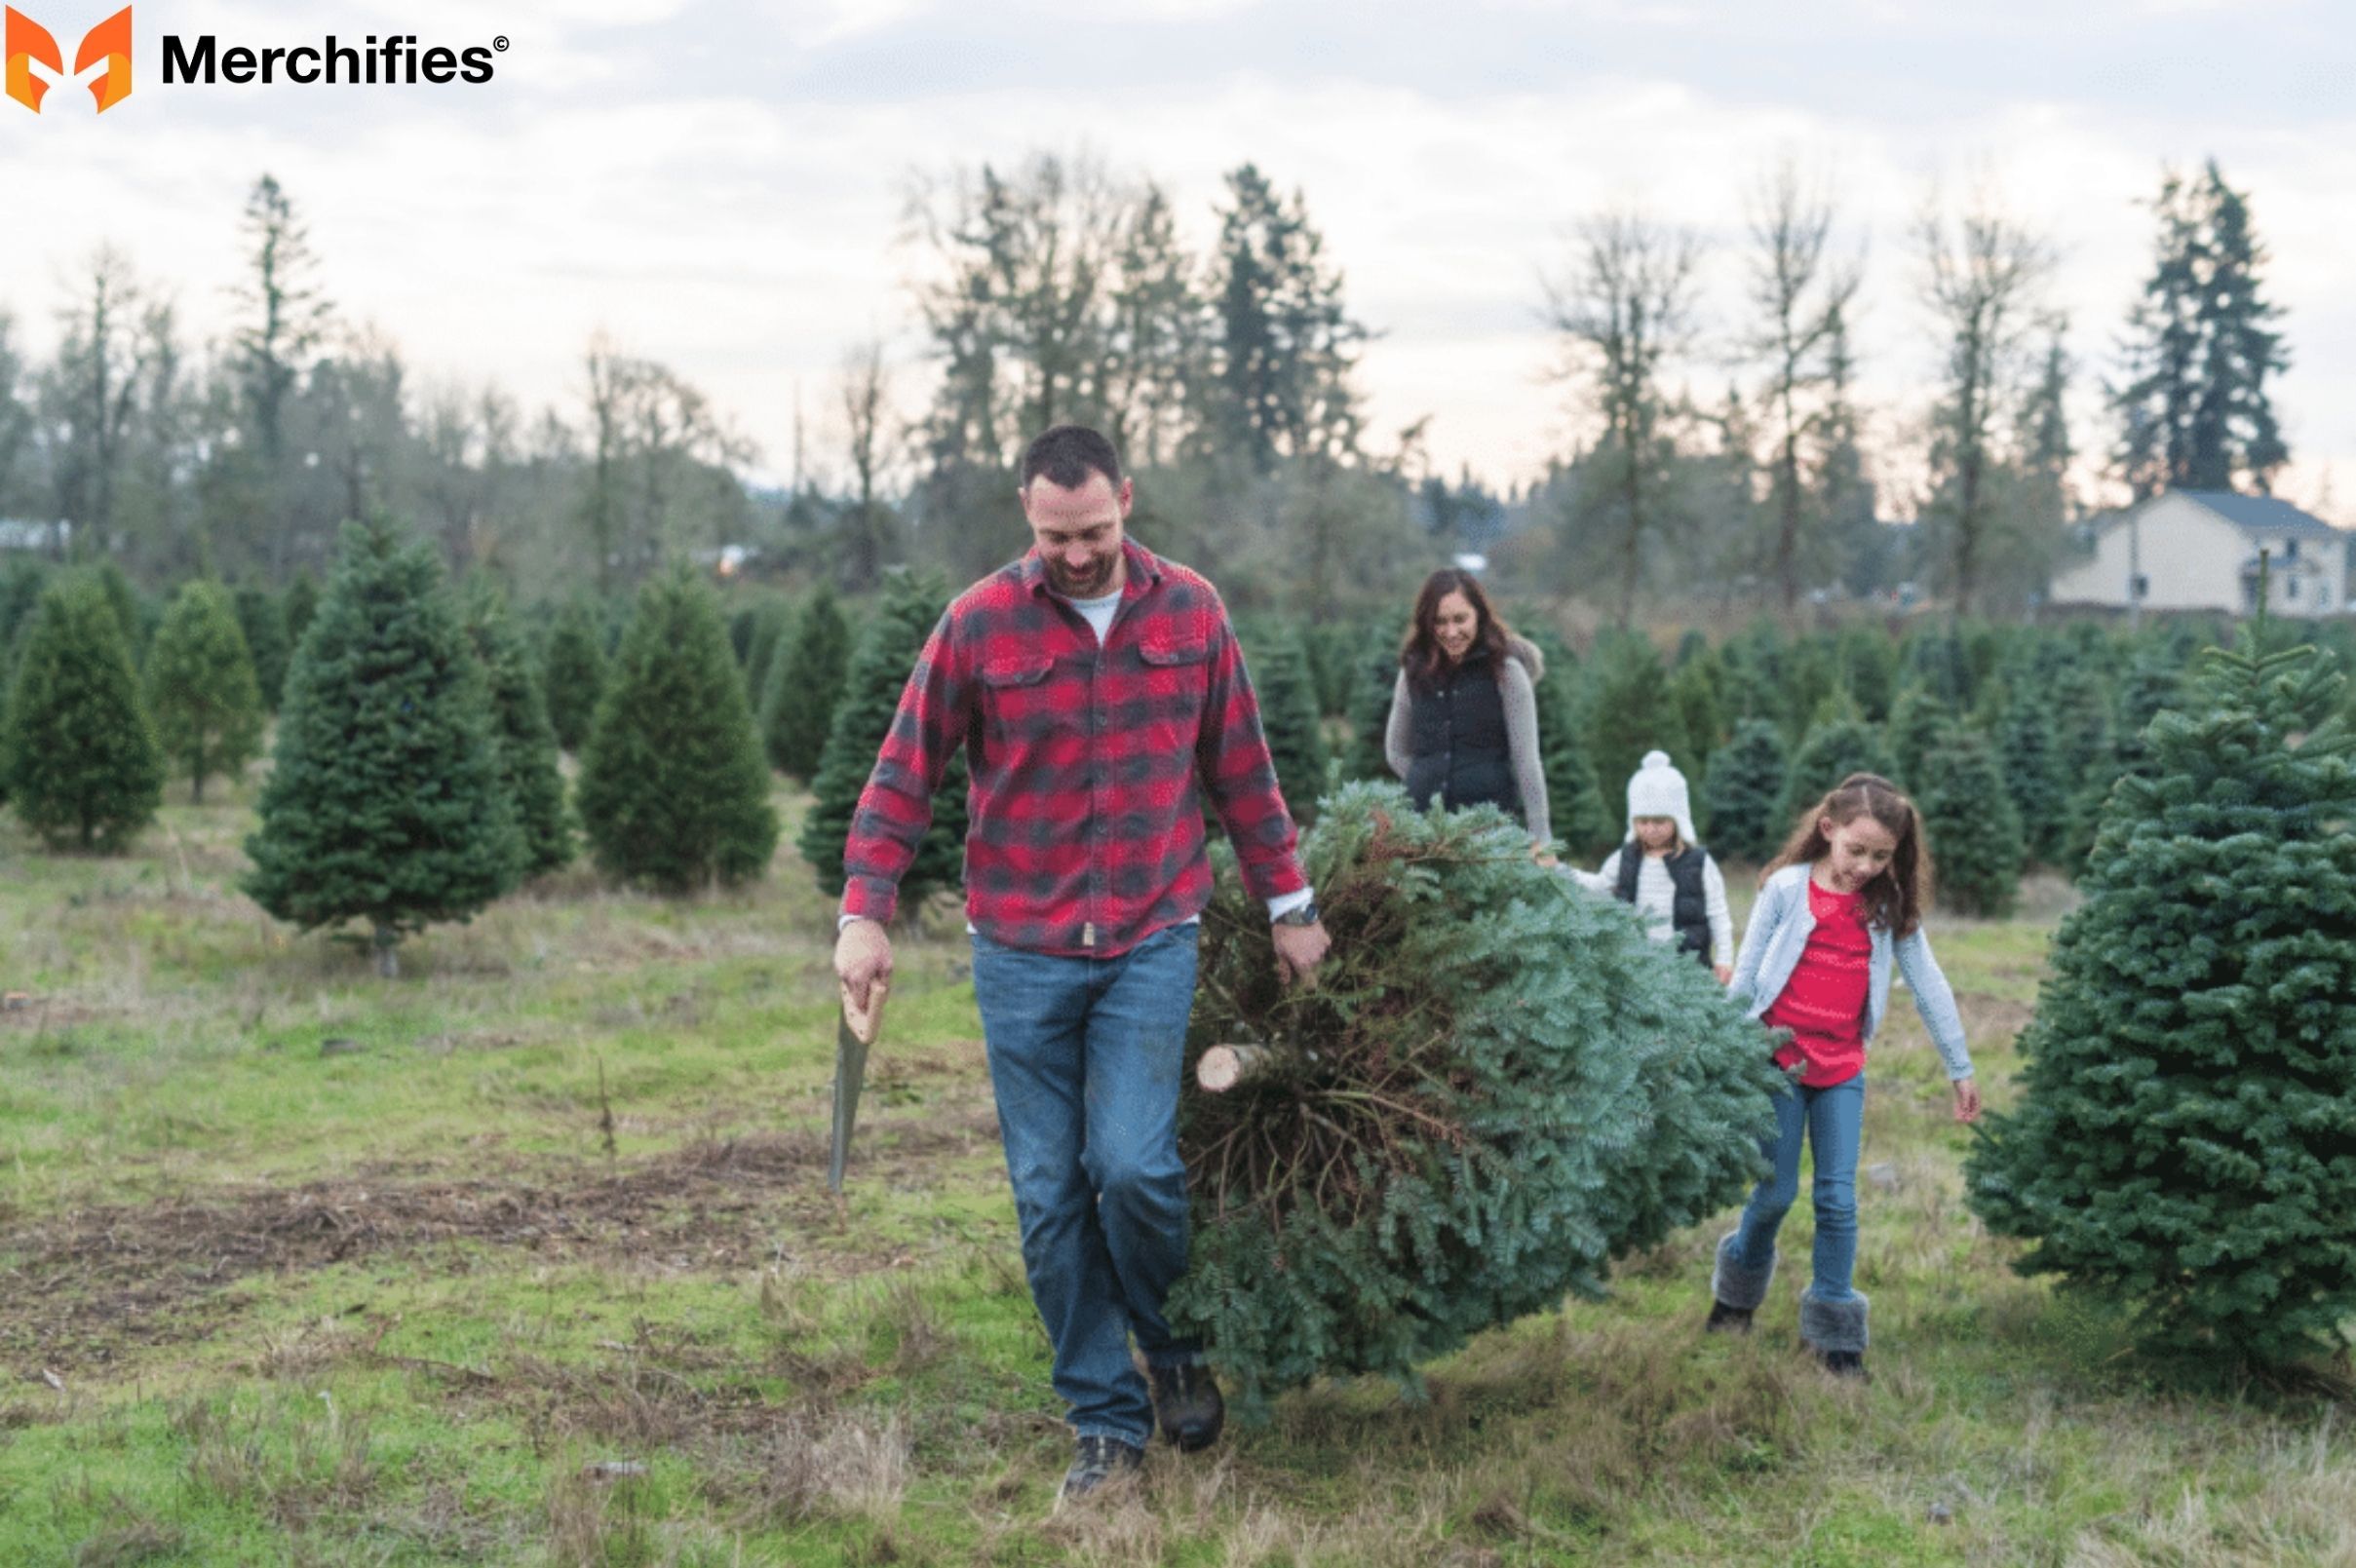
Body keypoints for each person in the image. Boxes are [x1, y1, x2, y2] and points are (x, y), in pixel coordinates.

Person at [831, 425, 1332, 1502]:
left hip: (1153, 934)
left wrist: (1289, 901)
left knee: (1136, 1167)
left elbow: (1242, 768)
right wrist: (863, 915)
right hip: (1020, 949)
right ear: (1026, 511)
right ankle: (1103, 1419)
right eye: (1054, 534)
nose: (1074, 552)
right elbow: (899, 780)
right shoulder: (977, 622)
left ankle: (1174, 1343)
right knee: (1048, 1196)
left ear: (1127, 503)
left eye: (1094, 529)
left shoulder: (1191, 610)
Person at [1703, 773, 1982, 1380]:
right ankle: (1735, 1295)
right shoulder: (1785, 889)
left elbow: (1929, 983)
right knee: (1774, 1194)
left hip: (1841, 1070)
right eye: (1857, 850)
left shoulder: (1888, 906)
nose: (1866, 865)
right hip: (1776, 1063)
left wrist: (1959, 1067)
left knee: (1838, 1199)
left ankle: (1836, 1337)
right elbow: (1747, 975)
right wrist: (1717, 1051)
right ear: (1828, 831)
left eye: (1882, 856)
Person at [1382, 569, 1552, 858]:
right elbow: (1396, 751)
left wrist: (1542, 840)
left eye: (1460, 619)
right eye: (1440, 622)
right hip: (1423, 836)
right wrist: (1426, 781)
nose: (1451, 632)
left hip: (1490, 836)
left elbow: (1527, 761)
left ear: (1479, 615)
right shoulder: (1412, 673)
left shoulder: (1507, 673)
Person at [1591, 750, 1733, 981]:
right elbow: (1598, 885)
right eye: (1643, 821)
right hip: (1637, 968)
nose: (1650, 829)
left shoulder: (1699, 861)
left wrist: (1725, 958)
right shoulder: (1625, 857)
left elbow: (1718, 911)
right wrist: (1557, 869)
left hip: (1686, 969)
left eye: (1659, 821)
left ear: (1677, 820)